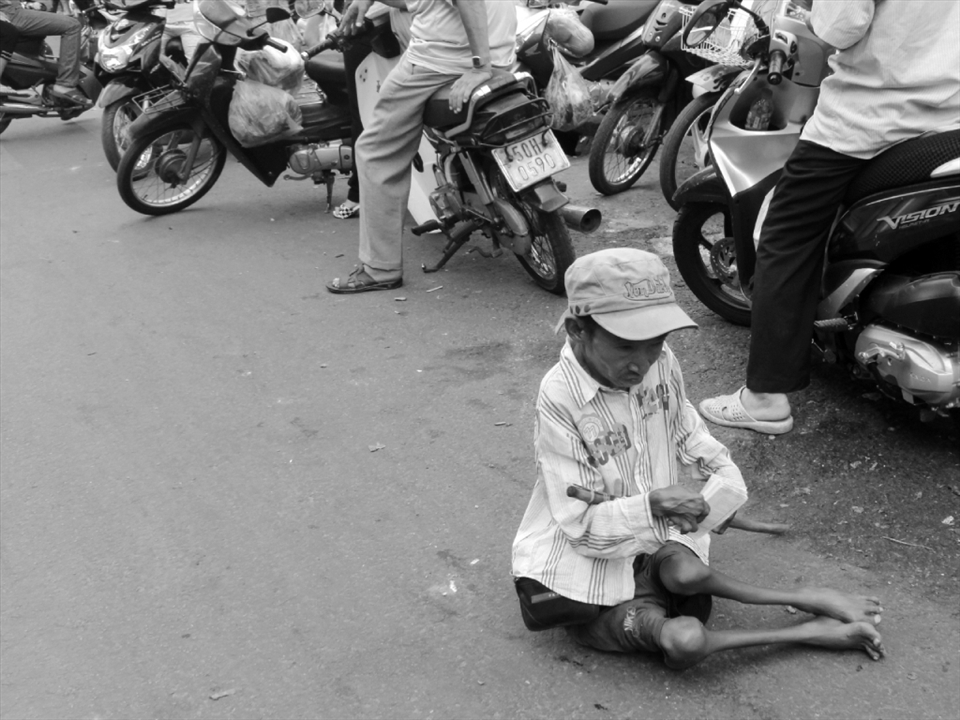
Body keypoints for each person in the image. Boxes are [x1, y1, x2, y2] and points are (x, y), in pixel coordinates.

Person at [511, 248, 885, 669]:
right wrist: (652, 504)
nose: (643, 363)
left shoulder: (660, 363)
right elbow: (581, 527)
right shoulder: (558, 397)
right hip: (591, 575)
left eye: (656, 343)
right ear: (579, 330)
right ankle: (807, 631)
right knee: (685, 639)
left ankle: (805, 597)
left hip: (651, 545)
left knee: (685, 574)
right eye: (625, 346)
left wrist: (722, 492)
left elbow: (689, 434)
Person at [698, 0, 960, 435]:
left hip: (869, 121)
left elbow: (840, 26)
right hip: (948, 120)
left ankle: (764, 398)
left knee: (786, 234)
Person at [325, 0, 517, 293]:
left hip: (442, 62)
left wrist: (480, 66)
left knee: (376, 151)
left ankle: (380, 268)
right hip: (502, 55)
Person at [0, 0, 90, 107]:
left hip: (13, 9)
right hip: (10, 13)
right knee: (73, 25)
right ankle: (65, 84)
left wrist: (29, 4)